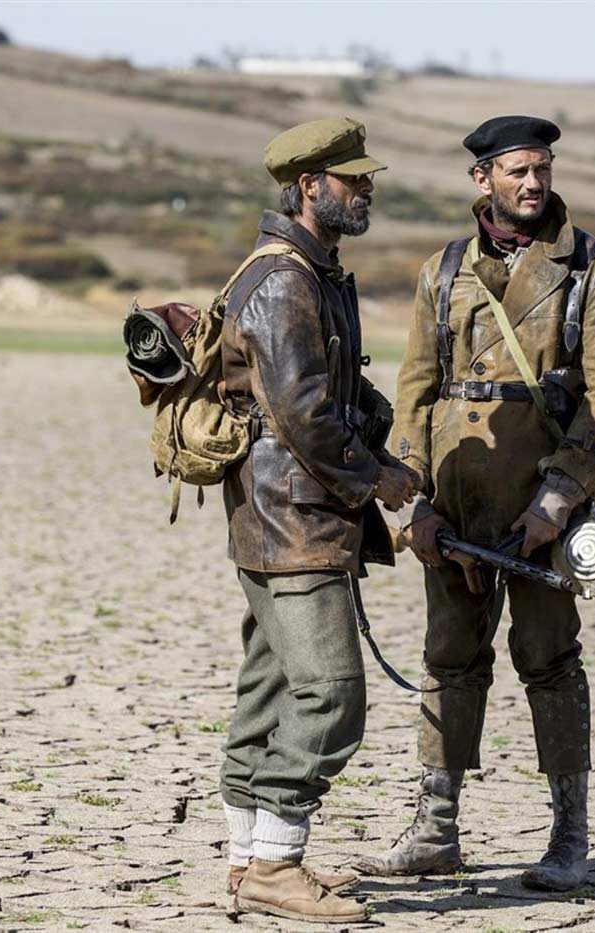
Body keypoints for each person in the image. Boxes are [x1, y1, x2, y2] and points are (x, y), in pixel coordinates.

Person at [354, 115, 595, 892]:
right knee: (450, 659)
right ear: (482, 179)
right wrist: (409, 502)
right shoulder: (442, 271)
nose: (532, 182)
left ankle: (569, 835)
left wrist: (558, 498)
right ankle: (434, 830)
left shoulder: (592, 268)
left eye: (541, 168)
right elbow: (413, 391)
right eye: (516, 170)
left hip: (544, 504)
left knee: (550, 662)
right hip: (453, 497)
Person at [218, 116, 419, 923]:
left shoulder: (317, 272)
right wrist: (376, 477)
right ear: (309, 187)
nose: (366, 187)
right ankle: (274, 866)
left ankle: (245, 860)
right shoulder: (284, 282)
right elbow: (303, 413)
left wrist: (396, 439)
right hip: (291, 517)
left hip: (290, 516)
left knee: (270, 689)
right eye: (353, 178)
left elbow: (338, 392)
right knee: (332, 694)